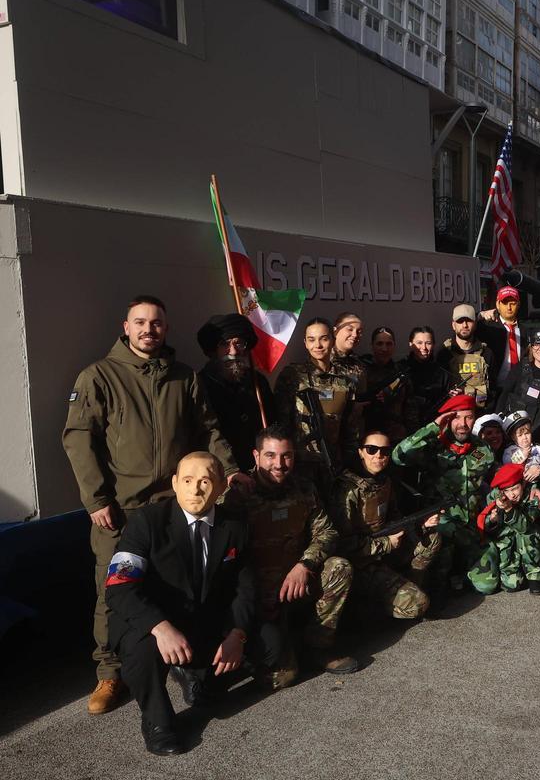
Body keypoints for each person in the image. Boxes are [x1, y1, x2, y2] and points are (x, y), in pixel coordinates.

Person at [63, 295, 245, 715]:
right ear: (125, 327)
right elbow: (78, 440)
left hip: (174, 505)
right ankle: (110, 674)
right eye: (140, 322)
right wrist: (96, 499)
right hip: (119, 509)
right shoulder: (99, 377)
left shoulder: (183, 377)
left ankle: (181, 660)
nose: (149, 329)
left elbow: (209, 430)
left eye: (157, 323)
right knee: (113, 588)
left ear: (166, 328)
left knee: (180, 584)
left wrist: (230, 470)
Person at [104, 452, 256, 755]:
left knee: (270, 647)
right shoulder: (146, 522)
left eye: (205, 481)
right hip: (152, 621)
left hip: (202, 619)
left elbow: (246, 588)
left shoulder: (235, 527)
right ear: (174, 484)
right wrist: (160, 628)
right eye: (187, 480)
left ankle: (197, 676)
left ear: (221, 488)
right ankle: (157, 721)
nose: (196, 489)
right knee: (143, 652)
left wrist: (236, 635)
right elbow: (119, 588)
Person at [221, 426, 358, 681]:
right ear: (256, 456)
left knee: (339, 568)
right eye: (271, 455)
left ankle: (318, 646)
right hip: (257, 596)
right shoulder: (237, 498)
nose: (280, 464)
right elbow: (224, 558)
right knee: (282, 678)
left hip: (296, 581)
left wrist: (304, 565)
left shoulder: (304, 488)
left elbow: (327, 532)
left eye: (286, 456)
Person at [331, 430, 443, 623]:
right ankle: (362, 612)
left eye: (384, 451)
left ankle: (407, 588)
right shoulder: (348, 490)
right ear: (360, 452)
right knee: (419, 604)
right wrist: (385, 543)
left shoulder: (385, 481)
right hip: (361, 563)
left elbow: (394, 518)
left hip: (384, 552)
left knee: (431, 539)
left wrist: (421, 526)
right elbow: (343, 545)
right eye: (372, 449)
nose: (378, 455)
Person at [390, 394, 495, 592]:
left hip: (471, 528)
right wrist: (433, 427)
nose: (463, 424)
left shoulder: (482, 449)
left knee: (487, 585)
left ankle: (461, 575)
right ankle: (442, 581)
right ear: (447, 419)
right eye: (456, 417)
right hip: (441, 527)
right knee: (443, 556)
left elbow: (496, 478)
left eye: (468, 417)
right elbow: (398, 456)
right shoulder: (432, 447)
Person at [274, 317, 360, 493]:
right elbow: (281, 423)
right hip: (301, 464)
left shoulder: (346, 379)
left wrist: (350, 460)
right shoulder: (293, 376)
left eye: (324, 338)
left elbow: (350, 426)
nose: (318, 345)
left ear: (333, 340)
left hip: (334, 462)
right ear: (305, 343)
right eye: (311, 340)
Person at [195, 313, 275, 472]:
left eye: (239, 343)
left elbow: (273, 423)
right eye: (225, 344)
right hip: (222, 472)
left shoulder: (258, 382)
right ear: (213, 350)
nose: (233, 351)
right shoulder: (200, 384)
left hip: (261, 470)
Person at [469, 463, 540, 595]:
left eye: (515, 488)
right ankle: (507, 569)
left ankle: (536, 576)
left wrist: (508, 509)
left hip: (528, 541)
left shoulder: (533, 496)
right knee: (512, 585)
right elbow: (484, 524)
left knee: (528, 534)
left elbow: (525, 526)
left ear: (522, 484)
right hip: (505, 543)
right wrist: (492, 520)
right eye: (507, 490)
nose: (512, 495)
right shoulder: (495, 496)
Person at [437, 304, 494, 410]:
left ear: (475, 324)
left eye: (469, 321)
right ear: (453, 325)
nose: (464, 325)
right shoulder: (443, 353)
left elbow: (492, 390)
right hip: (453, 414)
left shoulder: (486, 353)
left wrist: (471, 393)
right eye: (460, 321)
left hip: (480, 412)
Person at [360, 326, 411, 441]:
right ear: (372, 346)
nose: (384, 349)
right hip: (367, 435)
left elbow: (410, 408)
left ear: (394, 346)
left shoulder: (401, 372)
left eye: (389, 344)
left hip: (395, 436)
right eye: (379, 344)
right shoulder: (361, 371)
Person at [402, 326, 455, 428]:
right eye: (419, 343)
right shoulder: (401, 369)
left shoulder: (442, 373)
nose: (424, 347)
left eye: (428, 343)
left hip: (435, 427)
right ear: (410, 344)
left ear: (434, 344)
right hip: (406, 429)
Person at [476, 285, 525, 387]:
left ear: (519, 304)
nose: (509, 307)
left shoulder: (526, 330)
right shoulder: (488, 327)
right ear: (498, 304)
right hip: (496, 387)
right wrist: (480, 315)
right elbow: (465, 328)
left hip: (519, 387)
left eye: (513, 303)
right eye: (505, 303)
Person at [500, 410, 540, 482]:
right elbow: (507, 464)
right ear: (513, 438)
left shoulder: (537, 448)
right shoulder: (510, 450)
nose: (525, 437)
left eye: (527, 433)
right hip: (521, 483)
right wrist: (521, 455)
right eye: (520, 435)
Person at [331, 312, 367, 387]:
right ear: (335, 331)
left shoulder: (358, 364)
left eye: (359, 331)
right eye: (350, 329)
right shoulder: (323, 359)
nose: (355, 335)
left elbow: (362, 394)